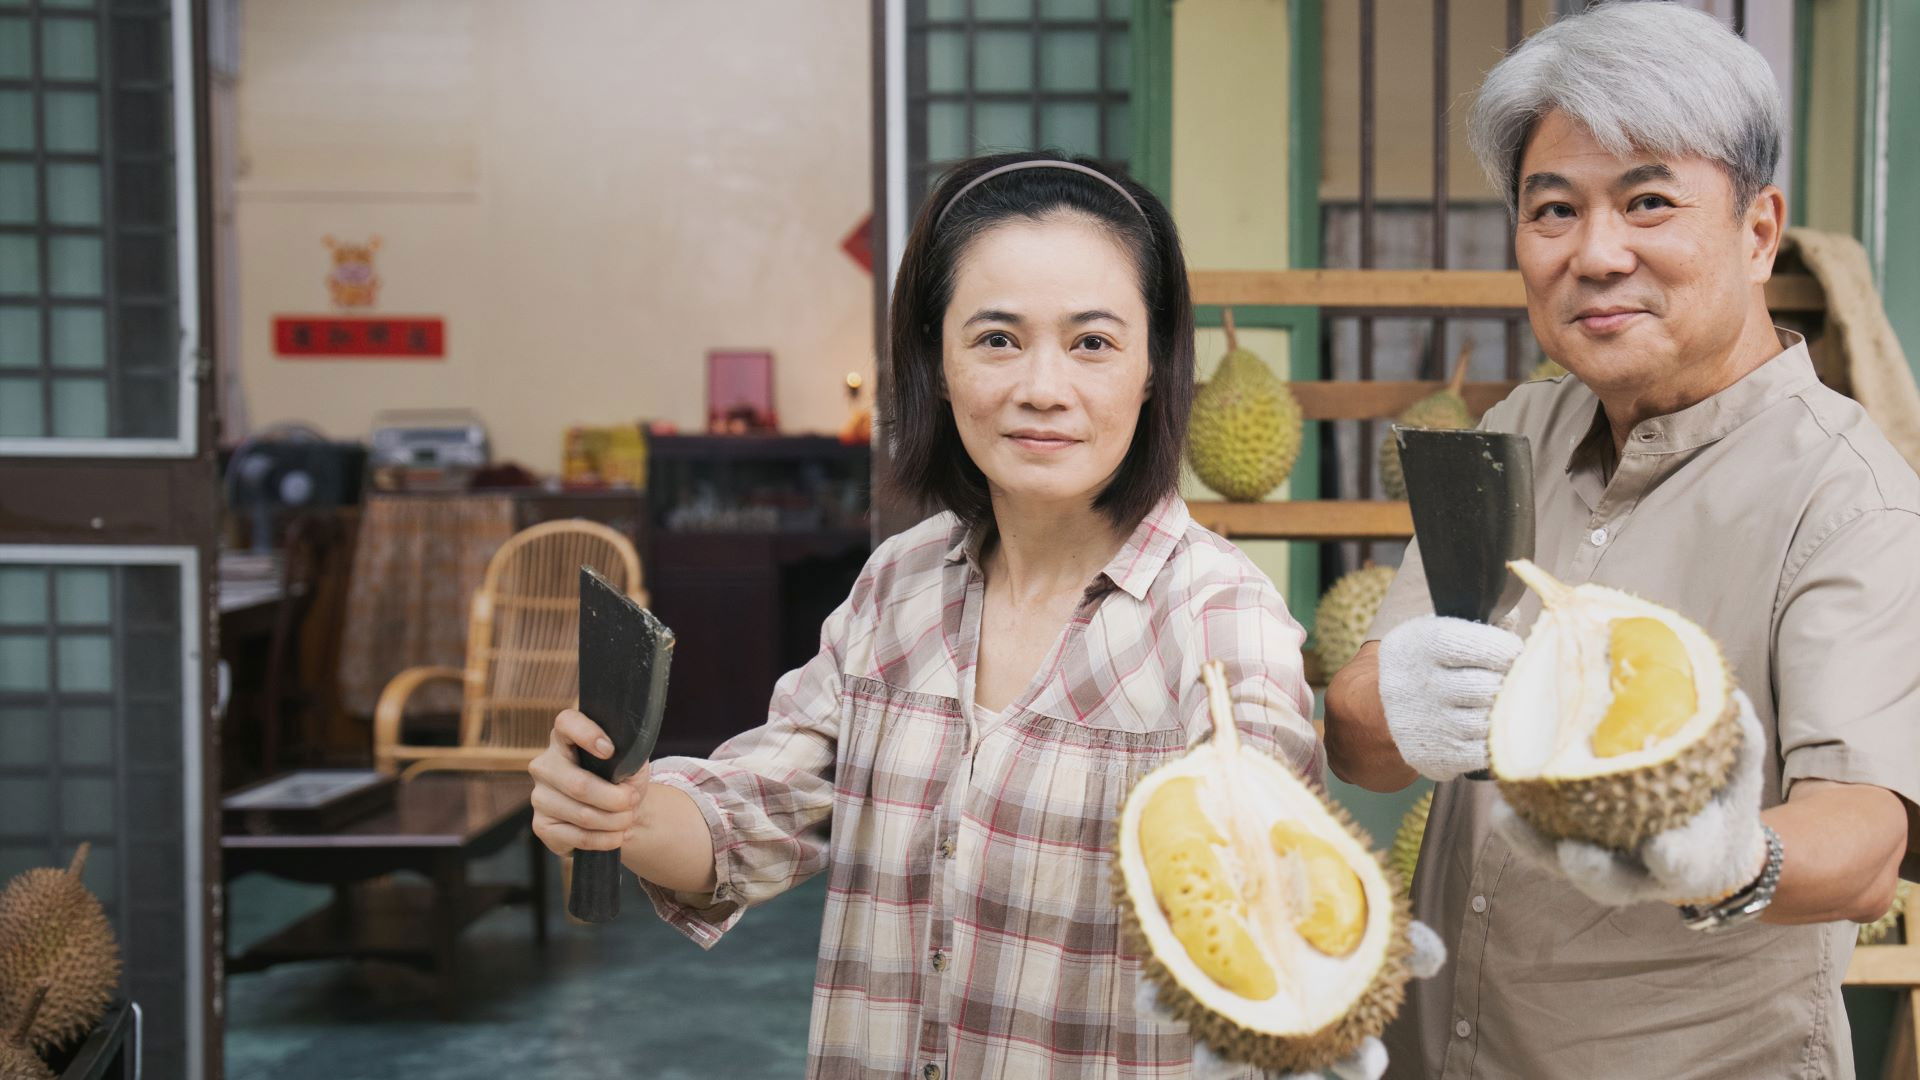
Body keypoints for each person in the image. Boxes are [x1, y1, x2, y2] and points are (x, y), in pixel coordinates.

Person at [531, 152, 1324, 1078]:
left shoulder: (1223, 622)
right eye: (995, 339)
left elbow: (1280, 903)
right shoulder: (896, 586)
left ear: (1154, 370)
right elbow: (760, 813)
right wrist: (618, 811)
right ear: (937, 364)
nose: (1041, 387)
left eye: (1093, 343)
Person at [1323, 4, 1920, 1077]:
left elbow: (1867, 845)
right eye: (1553, 210)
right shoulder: (1512, 430)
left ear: (1756, 229)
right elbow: (1364, 740)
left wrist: (1738, 856)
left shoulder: (1849, 498)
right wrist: (1399, 693)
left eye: (1649, 201)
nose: (1596, 255)